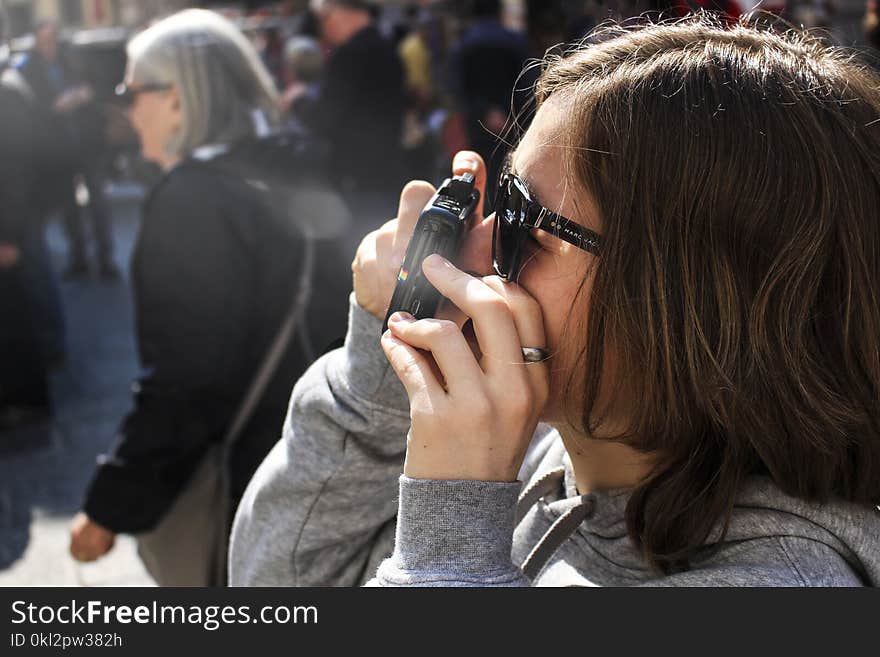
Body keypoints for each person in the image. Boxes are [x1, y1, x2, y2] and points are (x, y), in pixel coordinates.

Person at [229, 15, 880, 586]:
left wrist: (453, 529)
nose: (465, 251)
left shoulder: (783, 584)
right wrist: (380, 368)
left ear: (692, 300)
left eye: (523, 221)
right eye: (485, 203)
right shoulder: (541, 450)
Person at [68, 9, 351, 574]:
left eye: (131, 90)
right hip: (315, 465)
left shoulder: (191, 201)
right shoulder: (296, 162)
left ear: (176, 99)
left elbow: (184, 383)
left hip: (241, 489)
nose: (125, 107)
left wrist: (108, 507)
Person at [17, 20, 120, 280]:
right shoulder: (29, 68)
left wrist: (86, 94)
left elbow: (101, 85)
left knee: (99, 203)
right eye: (43, 41)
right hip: (58, 148)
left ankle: (106, 259)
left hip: (89, 143)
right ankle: (79, 259)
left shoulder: (75, 58)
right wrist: (54, 108)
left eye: (51, 40)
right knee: (69, 208)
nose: (48, 46)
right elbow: (28, 107)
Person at [298, 0, 408, 234]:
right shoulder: (388, 46)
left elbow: (324, 118)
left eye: (324, 19)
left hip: (356, 177)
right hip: (386, 169)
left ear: (339, 12)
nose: (324, 28)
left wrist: (297, 102)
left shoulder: (348, 55)